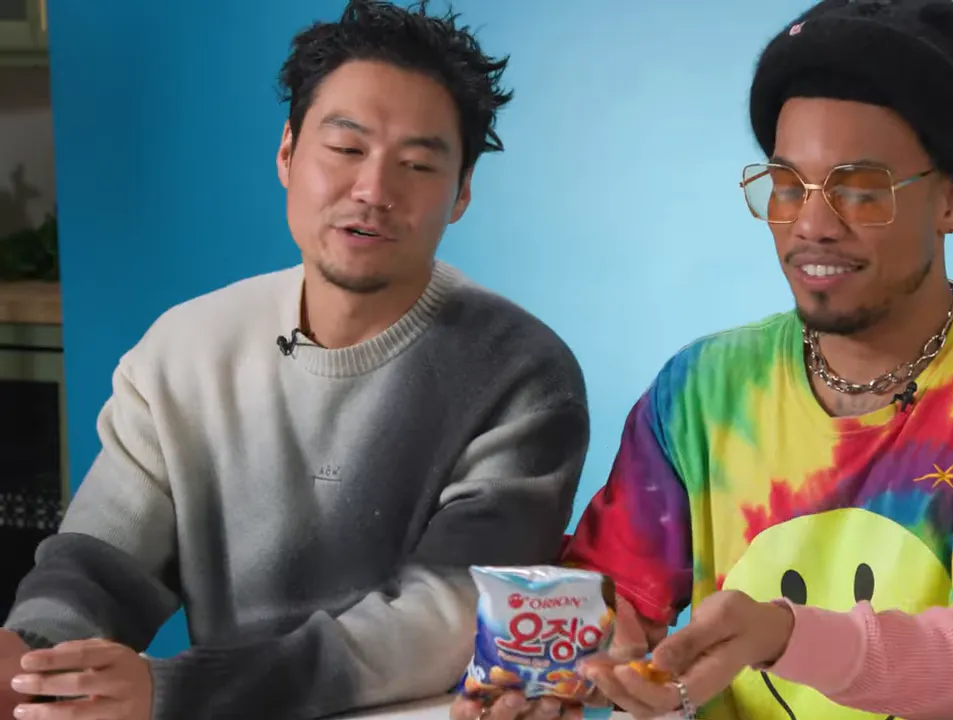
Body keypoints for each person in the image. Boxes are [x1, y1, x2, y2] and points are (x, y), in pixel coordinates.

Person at [453, 1, 953, 719]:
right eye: (787, 186)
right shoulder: (704, 388)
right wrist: (572, 674)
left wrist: (784, 634)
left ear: (952, 199)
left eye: (861, 190)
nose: (811, 225)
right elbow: (617, 603)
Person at [0, 1, 591, 719]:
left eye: (416, 164)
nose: (373, 190)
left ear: (461, 192)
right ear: (287, 153)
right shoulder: (185, 352)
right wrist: (36, 661)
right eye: (345, 150)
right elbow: (101, 561)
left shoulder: (521, 372)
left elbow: (445, 620)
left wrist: (179, 690)